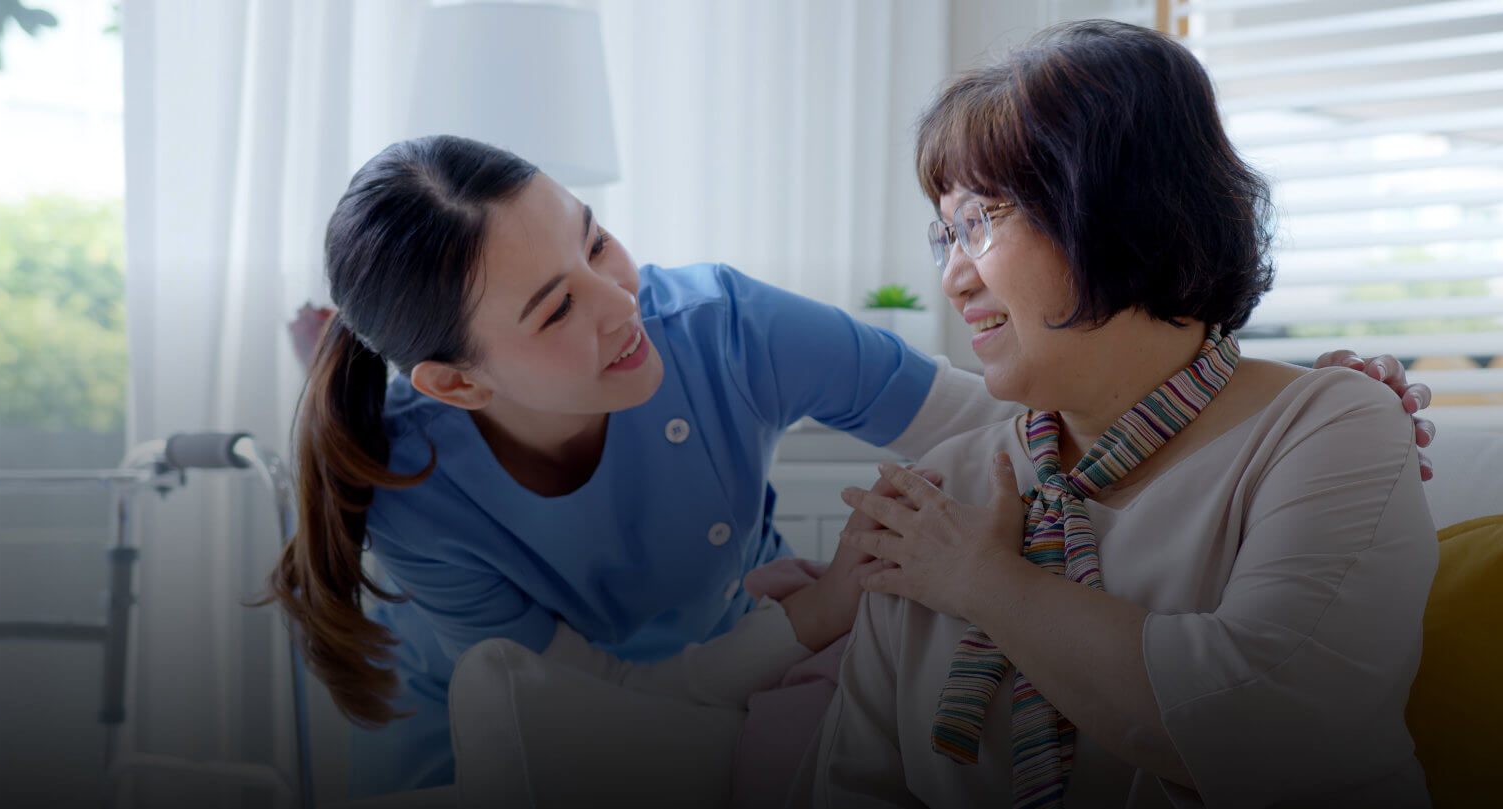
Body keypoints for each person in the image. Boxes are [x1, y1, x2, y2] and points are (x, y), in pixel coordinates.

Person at [256, 133, 1438, 797]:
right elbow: (578, 705)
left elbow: (1018, 414)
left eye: (599, 239)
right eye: (562, 303)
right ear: (456, 381)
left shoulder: (721, 324)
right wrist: (826, 604)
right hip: (505, 751)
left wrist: (1255, 395)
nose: (625, 300)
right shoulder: (413, 495)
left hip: (740, 675)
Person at [797, 21, 1439, 808]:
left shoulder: (1333, 426)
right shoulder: (942, 491)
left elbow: (1265, 730)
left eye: (982, 221)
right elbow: (852, 784)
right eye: (945, 235)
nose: (954, 278)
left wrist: (986, 583)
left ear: (1119, 210)